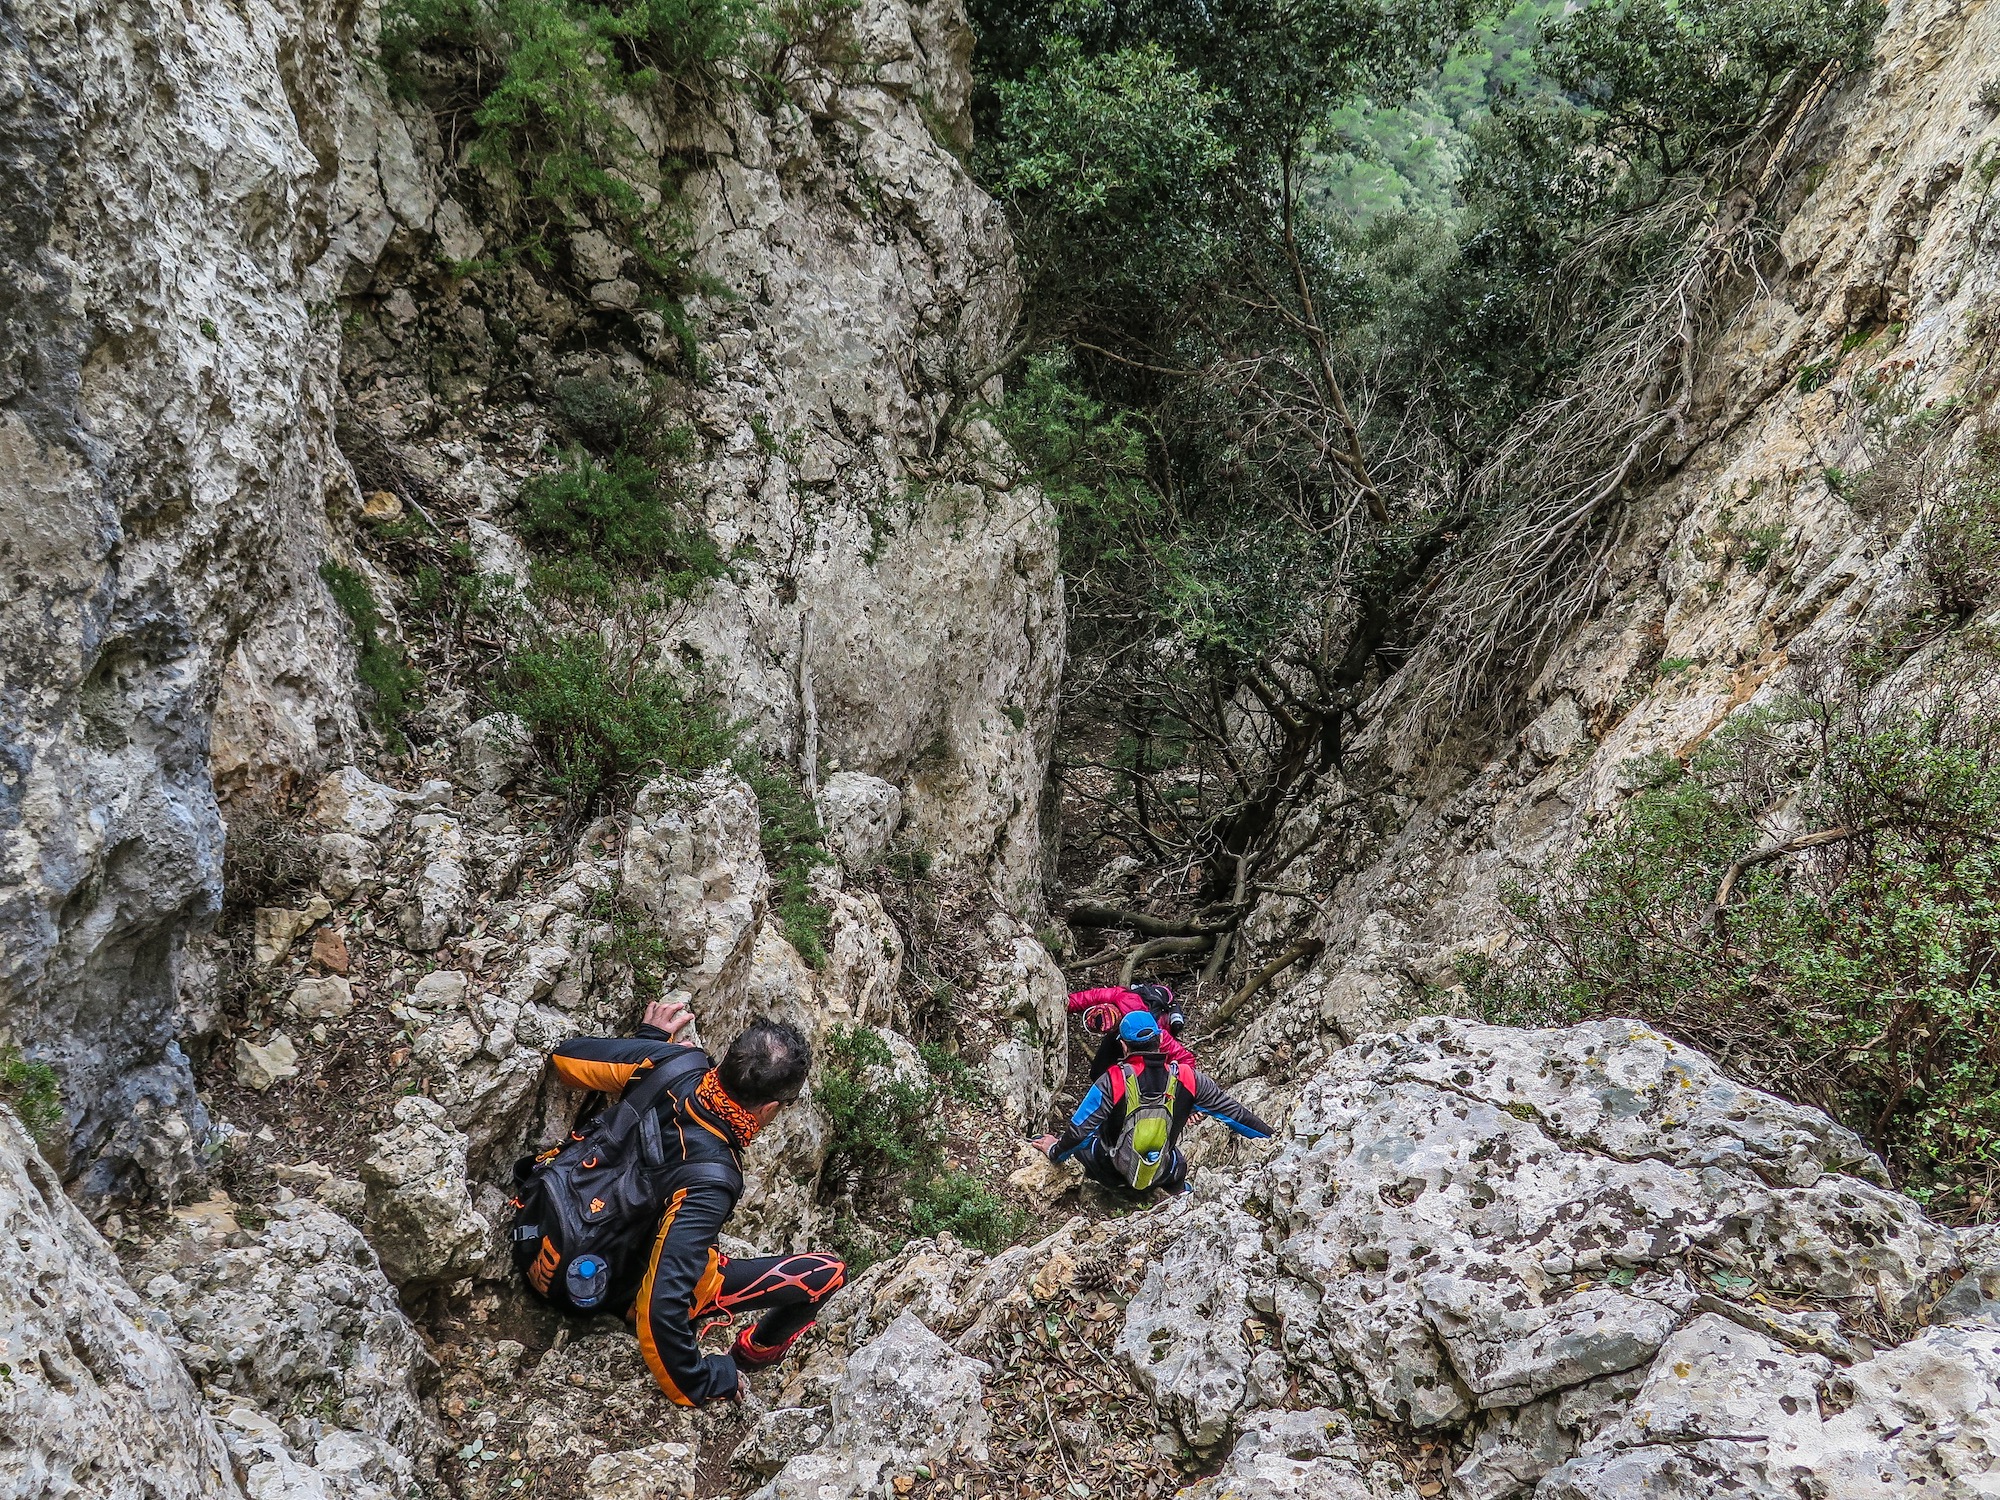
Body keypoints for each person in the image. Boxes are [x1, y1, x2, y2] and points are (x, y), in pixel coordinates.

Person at [541, 998, 845, 1405]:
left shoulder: (673, 1064)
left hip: (544, 1223)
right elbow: (660, 1307)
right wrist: (704, 1380)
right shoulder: (711, 1178)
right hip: (597, 1285)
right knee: (829, 1274)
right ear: (770, 1108)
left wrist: (650, 1043)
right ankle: (752, 1353)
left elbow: (565, 1058)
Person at [1030, 1011, 1272, 1196]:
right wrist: (1274, 1140)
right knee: (1177, 1160)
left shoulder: (1113, 1080)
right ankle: (1181, 1196)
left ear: (1123, 1045)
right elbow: (1236, 1115)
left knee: (1089, 1145)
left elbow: (1079, 1132)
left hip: (1112, 1172)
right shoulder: (1189, 1078)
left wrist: (1055, 1149)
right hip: (1161, 1172)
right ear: (1159, 1039)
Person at [1066, 980, 1194, 1079]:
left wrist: (1187, 1098)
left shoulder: (1146, 1026)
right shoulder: (1118, 996)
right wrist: (1065, 1004)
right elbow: (1089, 997)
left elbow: (1185, 1058)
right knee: (1098, 1073)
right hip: (1121, 1036)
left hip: (1143, 1043)